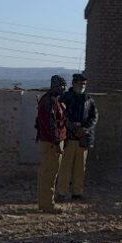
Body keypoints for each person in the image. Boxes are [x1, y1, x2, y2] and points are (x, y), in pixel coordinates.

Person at [56, 73, 98, 201]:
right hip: (69, 138)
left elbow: (94, 117)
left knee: (80, 168)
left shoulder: (89, 100)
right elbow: (62, 116)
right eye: (80, 83)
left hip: (82, 139)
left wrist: (85, 129)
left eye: (84, 84)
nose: (82, 86)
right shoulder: (65, 98)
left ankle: (77, 192)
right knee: (65, 167)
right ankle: (61, 192)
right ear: (74, 83)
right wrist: (74, 128)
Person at [35, 75, 68, 213]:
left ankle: (44, 202)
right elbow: (51, 124)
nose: (64, 89)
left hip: (50, 141)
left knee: (47, 173)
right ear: (56, 86)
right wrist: (56, 142)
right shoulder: (49, 102)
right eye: (62, 86)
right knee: (49, 173)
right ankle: (48, 204)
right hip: (51, 143)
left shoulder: (53, 101)